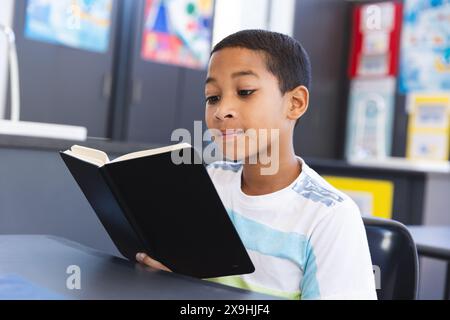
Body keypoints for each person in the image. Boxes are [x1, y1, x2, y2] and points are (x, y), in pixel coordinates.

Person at [136, 29, 377, 300]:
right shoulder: (207, 183)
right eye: (212, 96)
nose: (221, 110)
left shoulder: (329, 216)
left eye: (245, 91)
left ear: (295, 103)